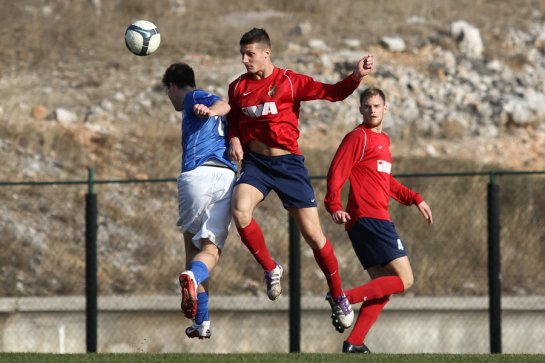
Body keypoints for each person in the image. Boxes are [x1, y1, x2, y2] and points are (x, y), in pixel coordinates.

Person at [227, 27, 374, 330]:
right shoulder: (237, 87)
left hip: (289, 166)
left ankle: (338, 295)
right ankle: (270, 268)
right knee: (240, 209)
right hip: (256, 165)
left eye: (250, 54)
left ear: (266, 53)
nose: (244, 59)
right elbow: (233, 120)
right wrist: (234, 138)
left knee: (314, 237)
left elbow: (332, 93)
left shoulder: (290, 82)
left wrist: (355, 76)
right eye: (242, 54)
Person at [324, 87, 433, 353]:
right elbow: (336, 172)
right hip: (370, 219)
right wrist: (334, 205)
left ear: (386, 109)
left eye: (376, 106)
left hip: (369, 221)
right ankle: (343, 298)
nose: (372, 110)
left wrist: (415, 198)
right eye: (367, 106)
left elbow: (387, 183)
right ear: (360, 110)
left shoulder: (383, 141)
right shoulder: (357, 137)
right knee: (405, 280)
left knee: (382, 288)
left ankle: (354, 342)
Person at [162, 62, 237, 339]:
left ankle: (192, 281)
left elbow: (222, 104)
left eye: (168, 93)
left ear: (171, 86)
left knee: (192, 252)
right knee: (209, 252)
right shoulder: (221, 120)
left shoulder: (194, 96)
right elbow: (229, 114)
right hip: (226, 178)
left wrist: (209, 109)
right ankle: (202, 322)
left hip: (198, 176)